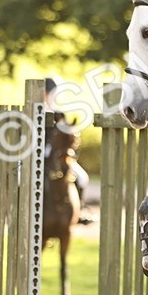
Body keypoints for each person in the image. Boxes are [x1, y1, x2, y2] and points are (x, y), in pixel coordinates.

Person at [44, 78, 94, 225]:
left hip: (57, 157)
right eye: (46, 93)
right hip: (36, 155)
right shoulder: (32, 111)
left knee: (82, 177)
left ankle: (80, 210)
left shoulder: (59, 114)